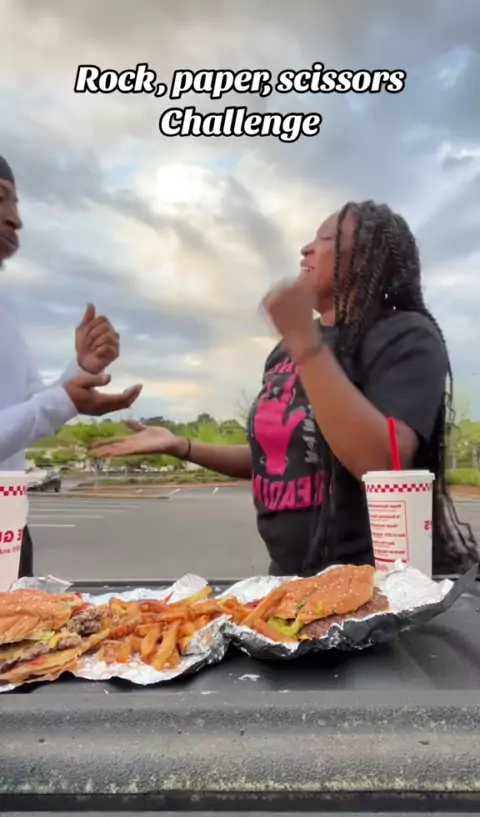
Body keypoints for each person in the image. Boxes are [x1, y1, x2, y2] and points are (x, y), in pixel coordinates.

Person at [93, 200, 478, 577]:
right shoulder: (285, 350)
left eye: (324, 238)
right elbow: (280, 456)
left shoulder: (404, 336)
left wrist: (303, 341)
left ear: (363, 257)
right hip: (290, 580)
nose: (305, 248)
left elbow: (384, 463)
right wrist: (182, 446)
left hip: (376, 582)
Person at [0, 155, 142, 577]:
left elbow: (28, 408)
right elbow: (43, 408)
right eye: (0, 199)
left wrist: (79, 371)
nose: (16, 219)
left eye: (15, 203)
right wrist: (64, 399)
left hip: (9, 525)